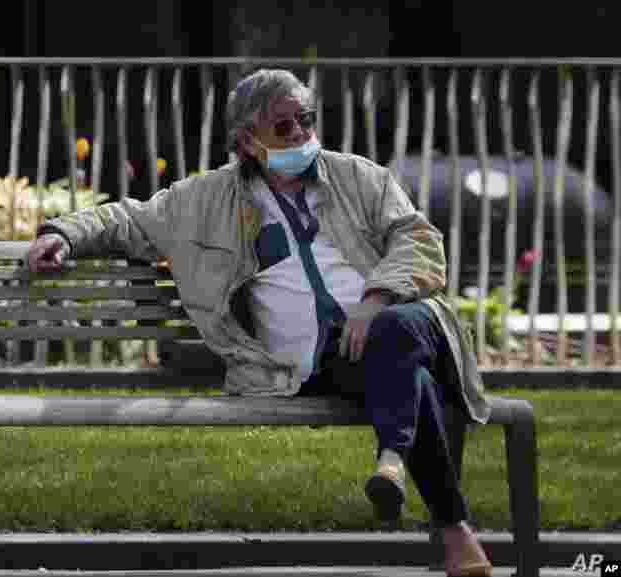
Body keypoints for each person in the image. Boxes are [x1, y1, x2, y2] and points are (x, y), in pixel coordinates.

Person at [26, 69, 493, 577]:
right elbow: (128, 219)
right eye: (283, 127)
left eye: (306, 121)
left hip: (397, 322)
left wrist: (375, 296)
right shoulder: (206, 201)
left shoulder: (361, 177)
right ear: (248, 141)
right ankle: (440, 515)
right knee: (413, 376)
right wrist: (64, 235)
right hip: (324, 363)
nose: (299, 135)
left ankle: (400, 466)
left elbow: (417, 239)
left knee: (396, 329)